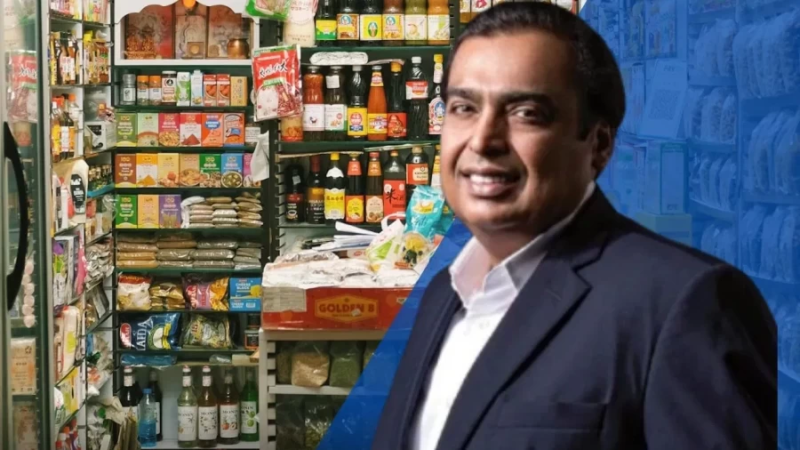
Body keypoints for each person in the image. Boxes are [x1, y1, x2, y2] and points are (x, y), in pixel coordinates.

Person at [372, 3, 777, 450]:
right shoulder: (443, 294)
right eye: (464, 107)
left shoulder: (686, 304)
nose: (483, 140)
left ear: (598, 144)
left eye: (526, 113)